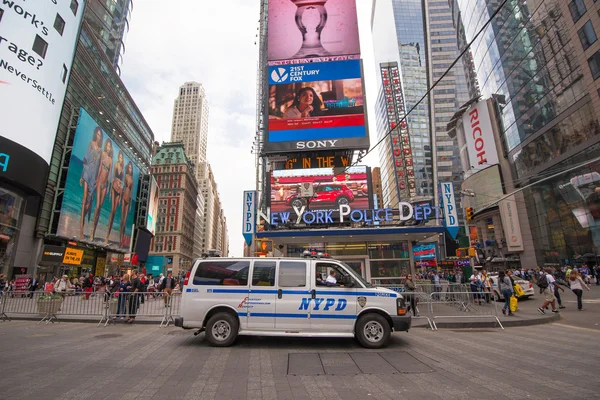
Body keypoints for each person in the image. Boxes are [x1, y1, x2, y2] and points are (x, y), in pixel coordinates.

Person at [79, 126, 103, 238]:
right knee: (84, 199)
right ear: (95, 135)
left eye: (100, 135)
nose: (99, 136)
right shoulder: (90, 144)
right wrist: (82, 175)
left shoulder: (100, 150)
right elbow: (85, 159)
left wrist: (98, 179)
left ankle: (84, 221)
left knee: (88, 205)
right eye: (97, 134)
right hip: (87, 172)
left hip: (94, 178)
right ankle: (80, 230)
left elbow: (99, 167)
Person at [91, 139, 113, 241]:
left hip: (105, 184)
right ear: (105, 146)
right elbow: (99, 167)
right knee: (98, 205)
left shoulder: (111, 160)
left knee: (100, 209)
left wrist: (108, 187)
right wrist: (96, 180)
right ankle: (91, 232)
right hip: (99, 181)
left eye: (110, 147)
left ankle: (94, 232)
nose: (108, 148)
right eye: (107, 146)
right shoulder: (103, 154)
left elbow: (110, 175)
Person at [105, 151, 125, 243]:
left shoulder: (123, 170)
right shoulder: (116, 165)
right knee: (112, 210)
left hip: (119, 190)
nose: (120, 159)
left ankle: (108, 236)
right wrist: (109, 189)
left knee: (114, 213)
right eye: (119, 157)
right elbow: (113, 177)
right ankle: (106, 236)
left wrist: (121, 196)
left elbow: (122, 183)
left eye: (121, 158)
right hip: (114, 187)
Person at [119, 162, 134, 246]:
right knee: (122, 218)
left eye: (131, 168)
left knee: (125, 220)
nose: (130, 169)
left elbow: (131, 192)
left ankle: (121, 240)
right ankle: (120, 238)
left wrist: (131, 202)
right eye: (128, 167)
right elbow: (123, 187)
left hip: (129, 198)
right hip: (124, 196)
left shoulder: (132, 179)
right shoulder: (126, 176)